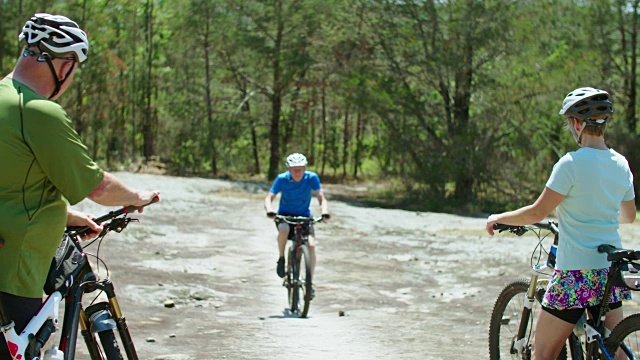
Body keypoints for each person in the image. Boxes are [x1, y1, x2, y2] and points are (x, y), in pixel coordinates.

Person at [0, 13, 159, 359]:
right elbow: (97, 187)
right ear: (64, 65)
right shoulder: (40, 112)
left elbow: (11, 182)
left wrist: (65, 214)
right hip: (13, 267)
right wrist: (138, 196)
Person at [486, 87, 636, 359]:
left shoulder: (570, 164)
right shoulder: (621, 164)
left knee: (543, 354)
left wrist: (499, 218)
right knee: (615, 351)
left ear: (577, 124)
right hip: (610, 272)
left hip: (575, 274)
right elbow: (629, 216)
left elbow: (535, 213)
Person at [264, 153, 330, 296]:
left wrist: (324, 213)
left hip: (304, 216)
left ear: (305, 168)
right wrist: (270, 210)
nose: (297, 172)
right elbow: (269, 197)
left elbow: (321, 197)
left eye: (300, 169)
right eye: (294, 169)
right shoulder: (282, 179)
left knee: (311, 245)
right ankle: (281, 258)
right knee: (283, 229)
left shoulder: (311, 178)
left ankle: (309, 283)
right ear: (288, 169)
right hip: (285, 215)